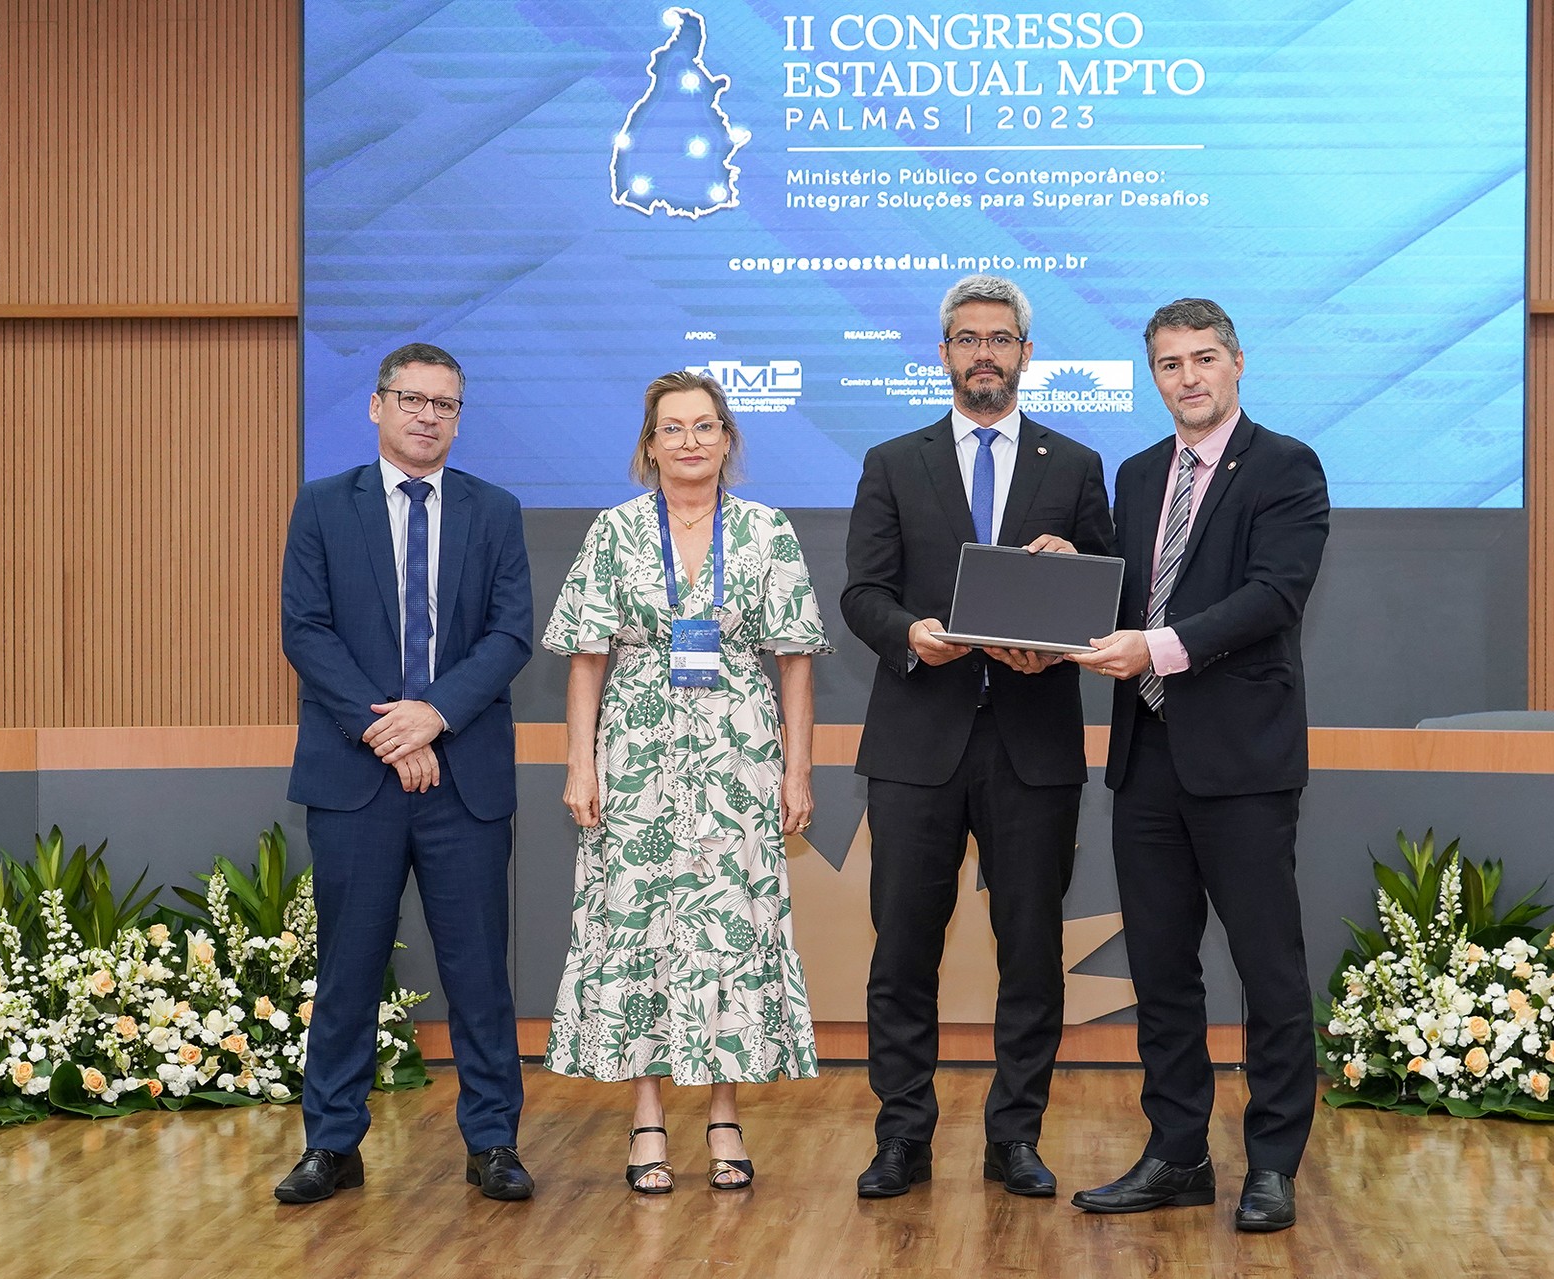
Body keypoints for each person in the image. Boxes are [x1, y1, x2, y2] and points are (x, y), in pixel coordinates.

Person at [841, 275, 1113, 1199]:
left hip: (1034, 745)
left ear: (1027, 355)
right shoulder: (892, 460)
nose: (984, 353)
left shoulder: (1075, 465)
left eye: (1001, 338)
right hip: (918, 741)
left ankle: (1015, 1137)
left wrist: (1071, 599)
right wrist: (912, 637)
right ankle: (901, 1137)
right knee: (903, 950)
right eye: (967, 338)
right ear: (945, 352)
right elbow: (862, 594)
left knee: (1031, 951)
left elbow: (1106, 599)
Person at [1067, 298, 1329, 1230]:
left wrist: (1158, 647)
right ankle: (1177, 1152)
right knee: (1163, 971)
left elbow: (1272, 596)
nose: (1188, 377)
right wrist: (1071, 571)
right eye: (1170, 364)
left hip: (1242, 764)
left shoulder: (1287, 466)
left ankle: (1271, 1164)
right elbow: (1125, 591)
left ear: (1238, 363)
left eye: (1204, 358)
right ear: (1155, 377)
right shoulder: (1138, 476)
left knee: (1269, 968)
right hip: (1146, 758)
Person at [544, 370, 826, 1194]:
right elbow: (587, 655)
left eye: (706, 426)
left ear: (728, 439)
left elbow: (796, 659)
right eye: (673, 428)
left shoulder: (768, 531)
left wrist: (797, 767)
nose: (690, 441)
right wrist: (579, 759)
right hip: (635, 759)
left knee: (729, 932)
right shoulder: (614, 531)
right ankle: (646, 1117)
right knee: (640, 932)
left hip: (739, 759)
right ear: (649, 444)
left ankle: (725, 1113)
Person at [277, 342, 536, 1204]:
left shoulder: (493, 510)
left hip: (463, 778)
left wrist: (434, 714)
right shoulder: (322, 506)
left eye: (446, 404)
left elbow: (509, 634)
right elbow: (306, 631)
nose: (429, 415)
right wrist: (389, 728)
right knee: (347, 969)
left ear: (460, 416)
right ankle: (333, 1144)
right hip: (355, 777)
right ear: (378, 405)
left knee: (479, 974)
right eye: (414, 399)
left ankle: (493, 1141)